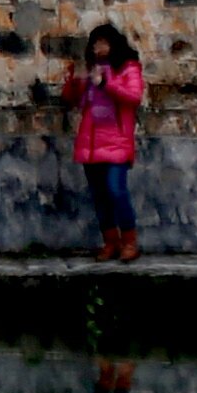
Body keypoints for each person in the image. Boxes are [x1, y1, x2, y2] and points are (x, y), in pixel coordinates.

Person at [62, 19, 146, 262]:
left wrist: (106, 83)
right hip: (91, 141)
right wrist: (74, 79)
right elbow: (70, 99)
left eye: (103, 42)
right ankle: (111, 242)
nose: (98, 48)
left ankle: (130, 241)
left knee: (116, 189)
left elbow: (133, 96)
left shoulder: (127, 68)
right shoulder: (90, 69)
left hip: (116, 140)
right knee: (99, 195)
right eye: (95, 43)